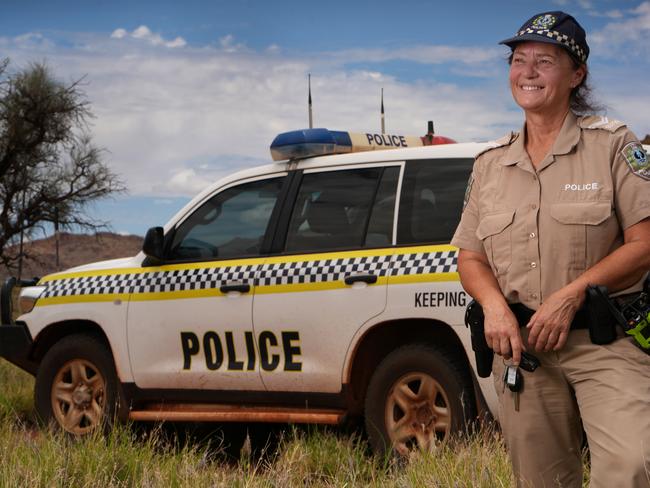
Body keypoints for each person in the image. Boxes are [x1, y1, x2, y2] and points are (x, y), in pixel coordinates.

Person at [451, 11, 650, 488]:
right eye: (519, 61)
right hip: (522, 353)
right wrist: (494, 307)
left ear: (576, 74)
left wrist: (571, 295)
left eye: (545, 60)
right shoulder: (490, 164)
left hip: (604, 341)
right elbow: (470, 256)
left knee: (633, 462)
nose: (529, 72)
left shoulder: (612, 144)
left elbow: (644, 244)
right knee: (541, 481)